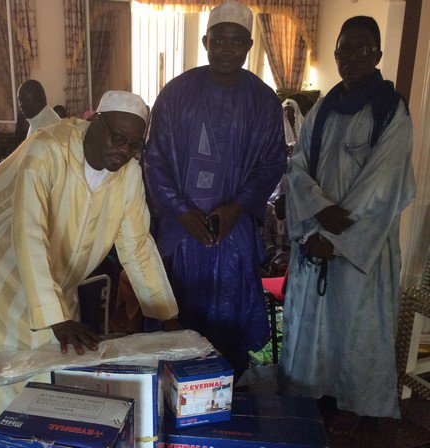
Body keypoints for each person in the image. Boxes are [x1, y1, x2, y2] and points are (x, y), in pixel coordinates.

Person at [0, 90, 180, 429]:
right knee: (6, 366)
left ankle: (50, 431)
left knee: (60, 358)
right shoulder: (47, 150)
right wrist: (56, 318)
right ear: (94, 122)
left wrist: (168, 317)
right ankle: (3, 433)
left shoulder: (129, 176)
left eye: (134, 145)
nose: (124, 151)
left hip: (57, 275)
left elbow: (137, 246)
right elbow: (29, 231)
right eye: (118, 138)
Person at [278, 16, 416, 435]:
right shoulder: (323, 107)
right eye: (344, 50)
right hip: (316, 235)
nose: (352, 58)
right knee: (312, 324)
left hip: (360, 247)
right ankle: (310, 395)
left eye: (362, 50)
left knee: (355, 326)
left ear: (377, 55)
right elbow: (298, 164)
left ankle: (353, 404)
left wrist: (335, 240)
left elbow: (384, 184)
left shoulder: (391, 111)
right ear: (336, 54)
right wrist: (318, 212)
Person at [143, 1, 285, 374]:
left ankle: (227, 394)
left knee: (229, 326)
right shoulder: (175, 94)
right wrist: (179, 210)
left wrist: (237, 207)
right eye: (219, 40)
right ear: (206, 41)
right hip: (181, 234)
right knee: (177, 319)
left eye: (236, 41)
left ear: (249, 46)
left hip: (234, 233)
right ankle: (172, 397)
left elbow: (273, 162)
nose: (226, 48)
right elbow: (154, 160)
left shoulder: (265, 101)